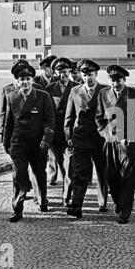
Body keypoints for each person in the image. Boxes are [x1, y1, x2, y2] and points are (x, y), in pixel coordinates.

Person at [3, 62, 55, 222]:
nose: (25, 82)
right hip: (19, 143)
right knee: (19, 175)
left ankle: (42, 201)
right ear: (16, 82)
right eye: (21, 79)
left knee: (40, 173)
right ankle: (17, 209)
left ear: (32, 80)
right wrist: (6, 143)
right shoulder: (12, 97)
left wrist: (46, 140)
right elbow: (8, 122)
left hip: (38, 143)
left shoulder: (42, 96)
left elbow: (49, 120)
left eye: (27, 79)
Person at [96, 65, 135, 224]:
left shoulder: (134, 94)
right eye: (112, 80)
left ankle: (125, 210)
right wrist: (103, 133)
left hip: (128, 140)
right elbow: (99, 118)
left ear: (124, 80)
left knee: (128, 174)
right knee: (111, 175)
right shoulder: (103, 94)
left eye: (118, 80)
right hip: (110, 140)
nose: (115, 83)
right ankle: (119, 201)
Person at [65, 59, 109, 218]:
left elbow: (111, 115)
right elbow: (69, 117)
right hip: (81, 139)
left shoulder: (105, 90)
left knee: (103, 172)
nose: (87, 78)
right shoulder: (75, 91)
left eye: (90, 75)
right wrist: (69, 136)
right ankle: (76, 206)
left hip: (100, 139)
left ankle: (103, 202)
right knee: (79, 174)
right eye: (84, 75)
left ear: (96, 74)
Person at [0, 59, 43, 200]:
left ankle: (38, 195)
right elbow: (3, 113)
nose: (24, 80)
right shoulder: (8, 90)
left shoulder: (38, 88)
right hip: (16, 136)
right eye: (20, 76)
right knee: (17, 170)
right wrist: (2, 132)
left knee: (37, 169)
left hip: (34, 136)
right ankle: (19, 195)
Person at [46, 57, 79, 206]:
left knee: (69, 166)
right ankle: (66, 192)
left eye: (66, 72)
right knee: (60, 164)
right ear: (55, 72)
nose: (63, 75)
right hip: (55, 135)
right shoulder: (49, 89)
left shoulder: (77, 88)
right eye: (59, 72)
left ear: (70, 72)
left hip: (71, 134)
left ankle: (67, 196)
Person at [34, 55, 58, 185]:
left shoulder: (56, 80)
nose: (53, 70)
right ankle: (40, 178)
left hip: (54, 120)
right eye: (50, 67)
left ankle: (53, 175)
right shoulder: (36, 81)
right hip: (39, 121)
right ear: (44, 68)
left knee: (54, 149)